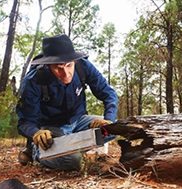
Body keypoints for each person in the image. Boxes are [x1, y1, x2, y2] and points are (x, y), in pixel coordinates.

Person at [16, 34, 118, 171]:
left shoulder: (83, 66)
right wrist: (35, 133)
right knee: (73, 161)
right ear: (48, 65)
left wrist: (108, 120)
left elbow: (109, 94)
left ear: (74, 61)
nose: (66, 73)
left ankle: (70, 148)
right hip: (51, 129)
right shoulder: (33, 81)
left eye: (69, 65)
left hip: (79, 121)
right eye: (58, 68)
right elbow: (25, 122)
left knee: (115, 128)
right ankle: (35, 152)